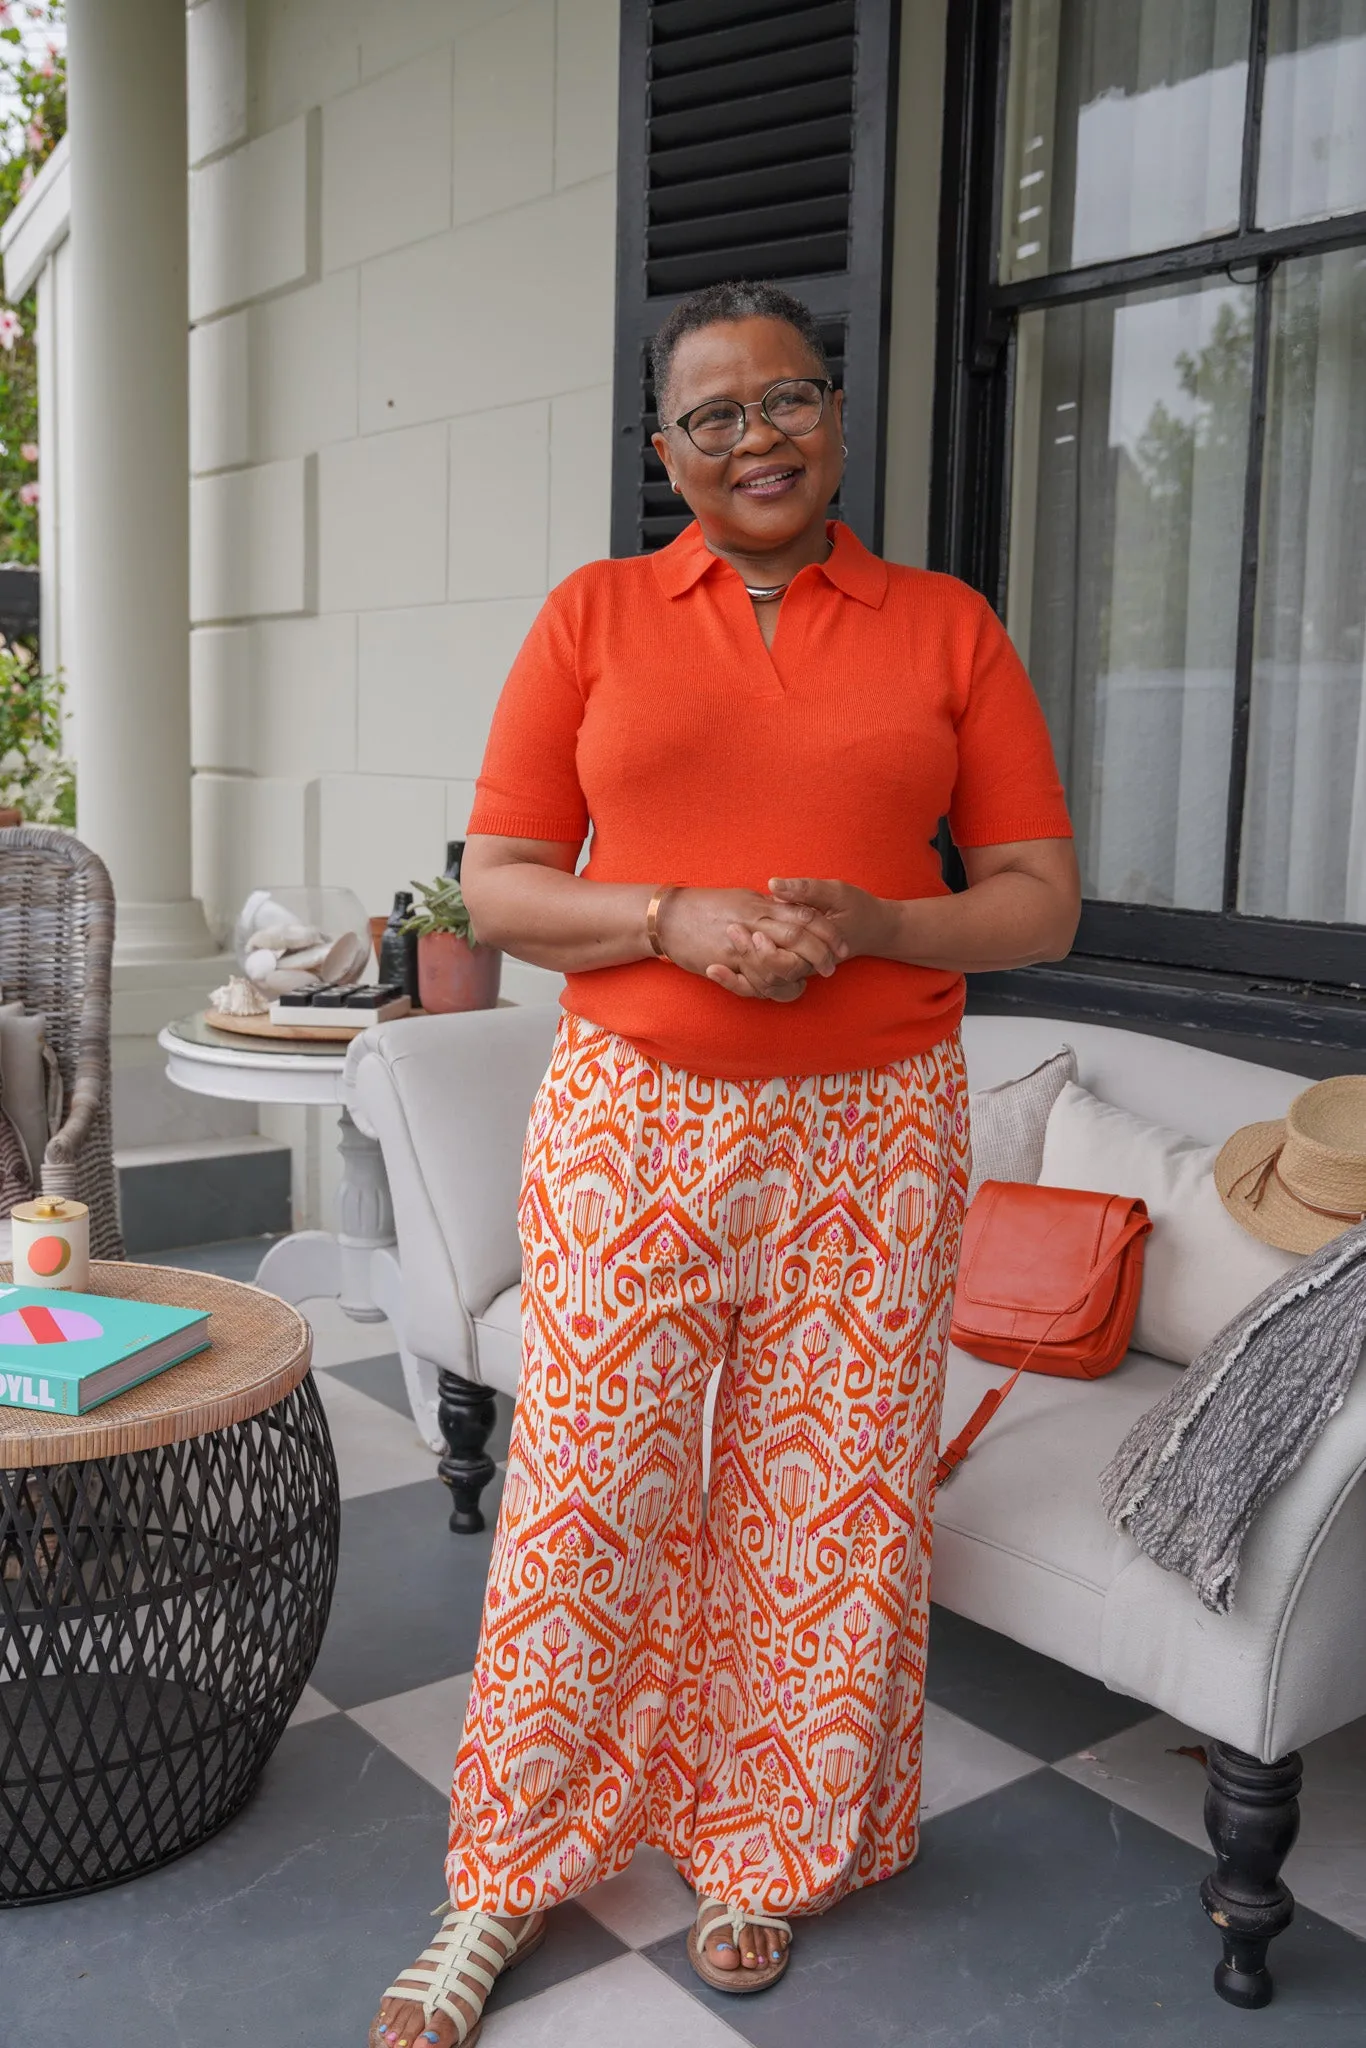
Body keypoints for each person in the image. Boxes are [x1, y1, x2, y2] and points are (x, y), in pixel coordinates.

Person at [370, 279, 1078, 2048]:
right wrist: (671, 913)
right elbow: (508, 878)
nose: (756, 435)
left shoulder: (944, 629)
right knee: (591, 1485)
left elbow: (1037, 901)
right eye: (713, 413)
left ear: (835, 417)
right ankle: (506, 1872)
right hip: (636, 1112)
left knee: (824, 1495)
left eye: (789, 398)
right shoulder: (596, 616)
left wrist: (882, 919)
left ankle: (769, 1840)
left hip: (881, 1123)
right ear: (663, 449)